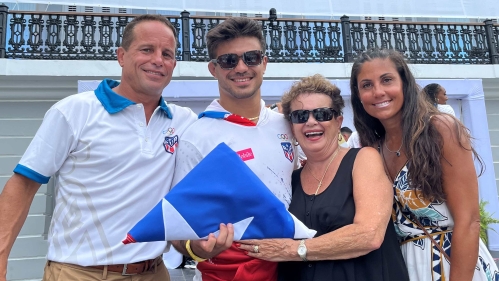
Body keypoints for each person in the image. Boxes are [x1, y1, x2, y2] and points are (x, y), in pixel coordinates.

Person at [0, 14, 200, 281]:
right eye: (146, 49)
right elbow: (23, 184)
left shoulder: (184, 120)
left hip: (154, 271)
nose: (157, 60)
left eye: (167, 53)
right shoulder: (74, 111)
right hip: (80, 273)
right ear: (121, 56)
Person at [239, 74, 409, 281]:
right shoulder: (289, 180)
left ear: (338, 122)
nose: (311, 122)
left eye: (322, 114)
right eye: (300, 116)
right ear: (291, 127)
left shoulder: (363, 160)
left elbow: (369, 235)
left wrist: (292, 250)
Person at [350, 48, 498, 280]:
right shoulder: (372, 149)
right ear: (358, 95)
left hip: (454, 263)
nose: (378, 92)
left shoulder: (440, 129)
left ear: (405, 84)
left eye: (387, 80)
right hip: (404, 267)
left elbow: (469, 220)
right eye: (366, 85)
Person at [170, 17, 297, 281]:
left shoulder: (287, 125)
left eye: (251, 57)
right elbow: (177, 223)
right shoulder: (198, 135)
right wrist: (197, 249)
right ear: (213, 69)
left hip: (289, 266)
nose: (241, 67)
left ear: (264, 63)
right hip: (229, 272)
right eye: (229, 60)